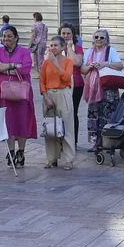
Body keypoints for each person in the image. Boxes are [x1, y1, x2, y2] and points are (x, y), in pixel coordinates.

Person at [0, 26, 36, 167]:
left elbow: (25, 68)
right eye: (4, 36)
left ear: (16, 37)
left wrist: (5, 69)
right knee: (8, 123)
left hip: (21, 93)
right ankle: (10, 152)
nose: (6, 39)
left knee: (22, 122)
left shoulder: (24, 52)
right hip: (3, 94)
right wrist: (13, 66)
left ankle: (21, 152)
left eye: (9, 36)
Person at [82, 28, 124, 159]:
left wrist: (105, 64)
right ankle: (96, 144)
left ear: (106, 40)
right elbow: (83, 70)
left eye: (102, 38)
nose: (98, 40)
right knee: (94, 117)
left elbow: (120, 65)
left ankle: (109, 143)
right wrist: (91, 66)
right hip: (93, 90)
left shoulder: (110, 51)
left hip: (108, 90)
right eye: (96, 37)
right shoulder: (89, 52)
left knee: (109, 117)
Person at [40, 35, 77, 169]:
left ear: (62, 47)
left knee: (66, 127)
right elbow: (42, 80)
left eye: (56, 45)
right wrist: (45, 96)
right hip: (49, 94)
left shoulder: (68, 61)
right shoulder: (45, 63)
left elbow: (67, 78)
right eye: (51, 45)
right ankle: (51, 158)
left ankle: (68, 159)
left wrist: (55, 64)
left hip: (63, 93)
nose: (53, 48)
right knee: (50, 128)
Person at [58, 22, 85, 146]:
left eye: (68, 33)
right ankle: (60, 139)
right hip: (58, 85)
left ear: (73, 35)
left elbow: (77, 62)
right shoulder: (54, 47)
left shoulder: (77, 47)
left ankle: (72, 141)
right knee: (60, 113)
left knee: (72, 113)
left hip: (76, 85)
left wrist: (68, 47)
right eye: (63, 33)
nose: (66, 35)